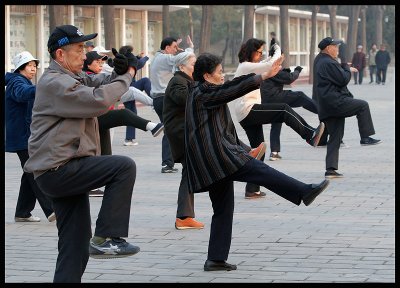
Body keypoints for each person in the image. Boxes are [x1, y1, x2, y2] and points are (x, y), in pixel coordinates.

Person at [185, 52, 330, 272]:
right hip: (218, 159)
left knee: (223, 209)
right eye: (219, 72)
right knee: (262, 172)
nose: (223, 75)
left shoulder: (202, 91)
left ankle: (215, 259)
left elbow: (231, 88)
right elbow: (232, 89)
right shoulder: (203, 93)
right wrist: (262, 77)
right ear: (206, 75)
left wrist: (245, 149)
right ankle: (303, 192)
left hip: (213, 161)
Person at [23, 24, 141, 282]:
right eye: (79, 48)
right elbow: (98, 100)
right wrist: (128, 74)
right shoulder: (55, 83)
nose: (85, 54)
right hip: (58, 170)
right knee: (123, 167)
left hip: (63, 169)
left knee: (75, 248)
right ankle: (107, 237)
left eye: (85, 47)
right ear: (60, 55)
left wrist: (118, 70)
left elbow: (97, 81)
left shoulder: (70, 78)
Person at [233, 38, 325, 199]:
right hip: (248, 110)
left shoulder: (250, 67)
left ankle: (252, 189)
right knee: (283, 109)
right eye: (259, 52)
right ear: (252, 52)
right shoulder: (246, 66)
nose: (261, 55)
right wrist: (276, 49)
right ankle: (309, 135)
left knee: (259, 150)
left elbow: (270, 66)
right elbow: (269, 64)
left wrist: (276, 58)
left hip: (245, 113)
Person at [312, 37, 382, 179]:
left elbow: (337, 74)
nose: (337, 50)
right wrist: (345, 69)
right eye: (335, 47)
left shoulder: (320, 60)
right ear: (327, 48)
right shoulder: (328, 62)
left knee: (335, 137)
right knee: (362, 105)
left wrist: (343, 67)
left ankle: (330, 170)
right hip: (335, 102)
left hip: (326, 105)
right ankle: (365, 137)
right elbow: (343, 79)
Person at [5, 51, 56, 223]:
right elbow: (22, 93)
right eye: (30, 66)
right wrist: (43, 87)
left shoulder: (21, 81)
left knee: (29, 170)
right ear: (21, 67)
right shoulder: (16, 82)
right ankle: (51, 209)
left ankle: (23, 212)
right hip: (21, 135)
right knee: (35, 170)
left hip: (25, 134)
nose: (33, 69)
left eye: (35, 66)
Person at [83, 50, 164, 156]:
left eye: (101, 62)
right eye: (97, 62)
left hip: (102, 114)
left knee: (106, 152)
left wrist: (122, 69)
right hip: (92, 118)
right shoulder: (87, 76)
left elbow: (110, 79)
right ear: (88, 64)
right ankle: (151, 119)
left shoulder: (96, 75)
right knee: (125, 111)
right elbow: (106, 84)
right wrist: (134, 66)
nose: (101, 64)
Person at [163, 51, 205, 230]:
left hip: (187, 131)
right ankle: (184, 216)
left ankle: (184, 216)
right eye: (193, 64)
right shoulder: (177, 81)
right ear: (181, 66)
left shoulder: (187, 81)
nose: (196, 68)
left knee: (189, 172)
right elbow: (185, 99)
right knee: (190, 171)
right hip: (182, 133)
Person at [149, 35, 194, 173]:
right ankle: (168, 163)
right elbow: (183, 59)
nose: (176, 50)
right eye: (174, 47)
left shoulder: (158, 58)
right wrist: (189, 48)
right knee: (170, 129)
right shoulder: (164, 58)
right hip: (163, 98)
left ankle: (171, 161)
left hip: (159, 99)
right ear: (167, 48)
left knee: (173, 128)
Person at [260, 66, 319, 161]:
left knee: (276, 122)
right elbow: (290, 78)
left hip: (267, 101)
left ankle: (274, 152)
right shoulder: (273, 68)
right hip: (275, 97)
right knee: (300, 95)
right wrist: (297, 70)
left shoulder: (267, 68)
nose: (280, 65)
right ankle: (322, 112)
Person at [119, 45, 153, 146]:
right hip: (130, 88)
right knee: (145, 80)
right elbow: (140, 64)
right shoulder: (129, 61)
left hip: (123, 89)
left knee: (131, 114)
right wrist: (146, 57)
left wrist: (138, 56)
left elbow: (135, 61)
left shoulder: (122, 60)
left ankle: (128, 139)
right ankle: (155, 101)